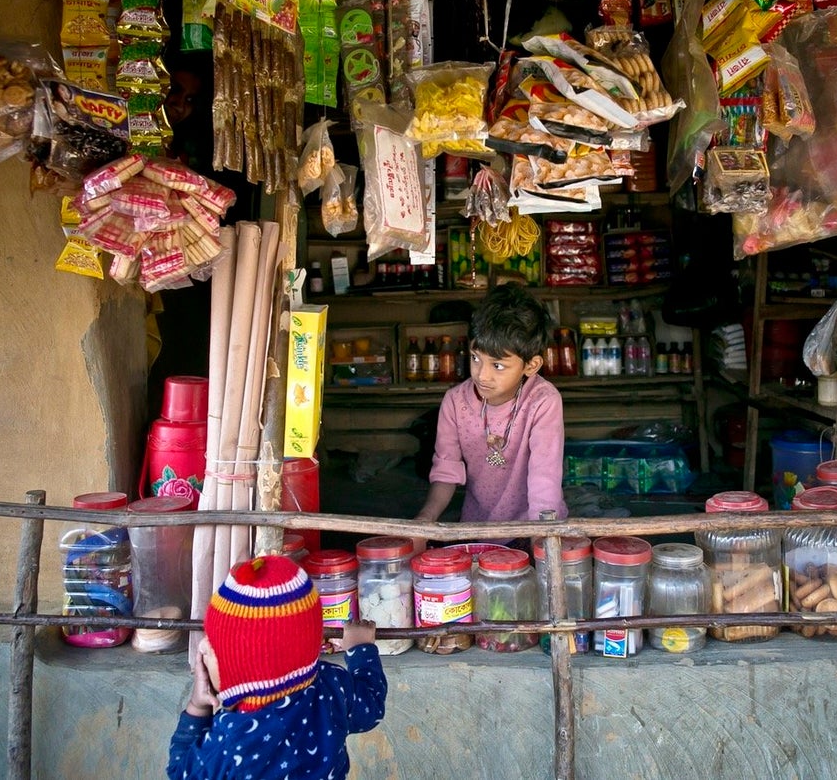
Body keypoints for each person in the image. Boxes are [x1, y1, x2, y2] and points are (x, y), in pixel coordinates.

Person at [166, 555, 387, 780]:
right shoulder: (332, 686)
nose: (202, 647)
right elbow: (372, 705)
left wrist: (197, 707)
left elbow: (179, 772)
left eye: (212, 645)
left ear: (242, 671)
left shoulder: (231, 740)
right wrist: (361, 649)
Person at [413, 283, 568, 537]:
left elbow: (545, 478)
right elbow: (446, 470)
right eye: (475, 358)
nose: (481, 375)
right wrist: (425, 519)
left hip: (533, 528)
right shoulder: (455, 402)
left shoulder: (543, 401)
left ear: (531, 365)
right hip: (476, 527)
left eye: (497, 366)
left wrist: (543, 538)